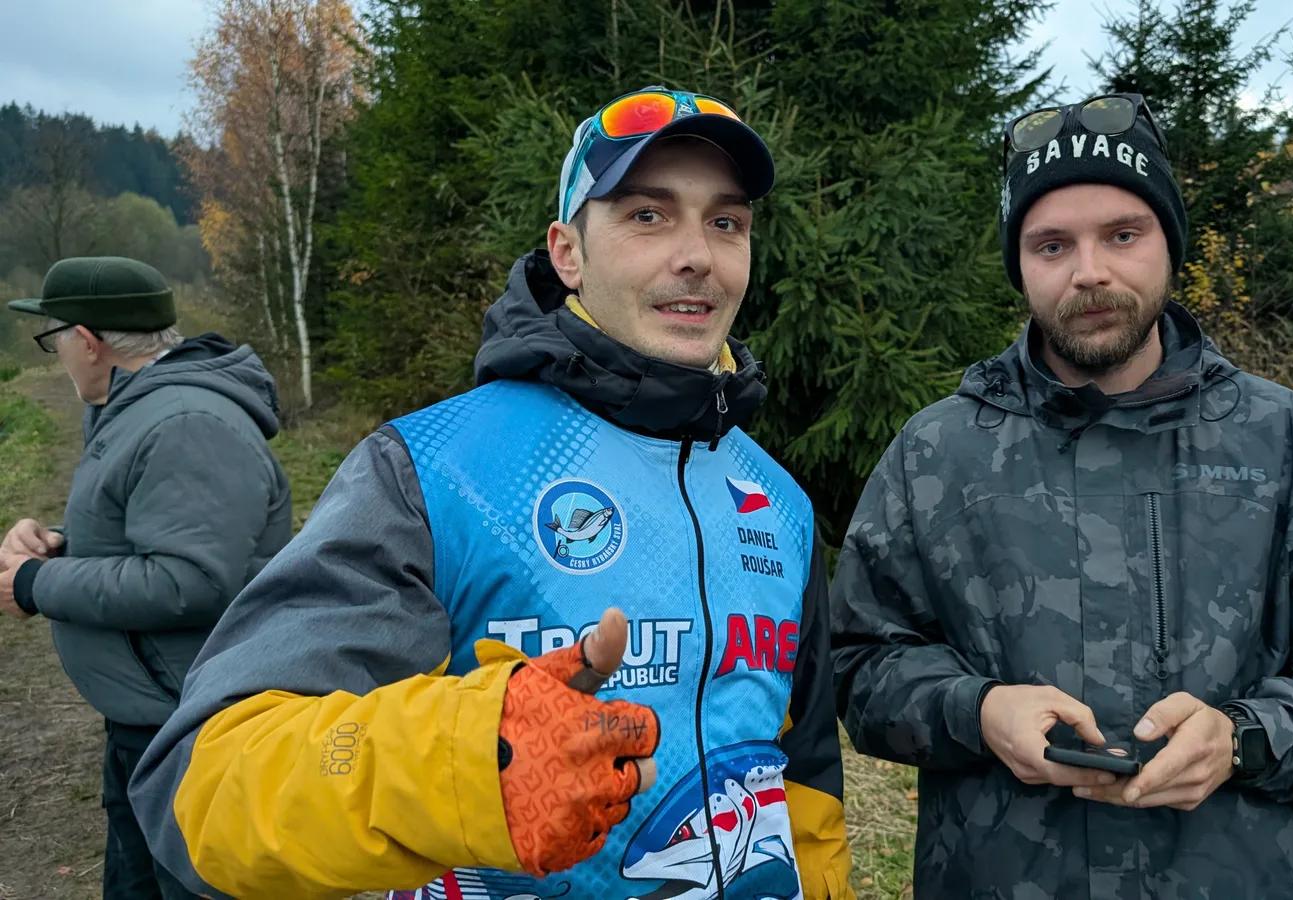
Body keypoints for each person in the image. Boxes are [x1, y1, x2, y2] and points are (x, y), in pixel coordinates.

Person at [130, 86, 853, 900]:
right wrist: (469, 762)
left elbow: (804, 777)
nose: (698, 256)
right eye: (647, 215)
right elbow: (203, 781)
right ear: (568, 253)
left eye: (726, 223)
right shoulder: (435, 471)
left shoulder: (779, 503)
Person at [830, 93, 1293, 899]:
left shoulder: (1289, 443)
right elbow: (859, 666)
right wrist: (976, 712)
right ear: (1020, 264)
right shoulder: (937, 453)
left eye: (1123, 235)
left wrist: (1246, 739)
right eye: (1052, 244)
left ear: (1169, 243)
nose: (1090, 271)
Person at [0, 255, 291, 900]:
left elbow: (190, 581)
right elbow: (152, 529)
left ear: (87, 340)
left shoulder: (187, 424)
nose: (57, 356)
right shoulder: (136, 408)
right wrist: (56, 545)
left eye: (53, 339)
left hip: (190, 726)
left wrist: (35, 584)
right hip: (149, 715)